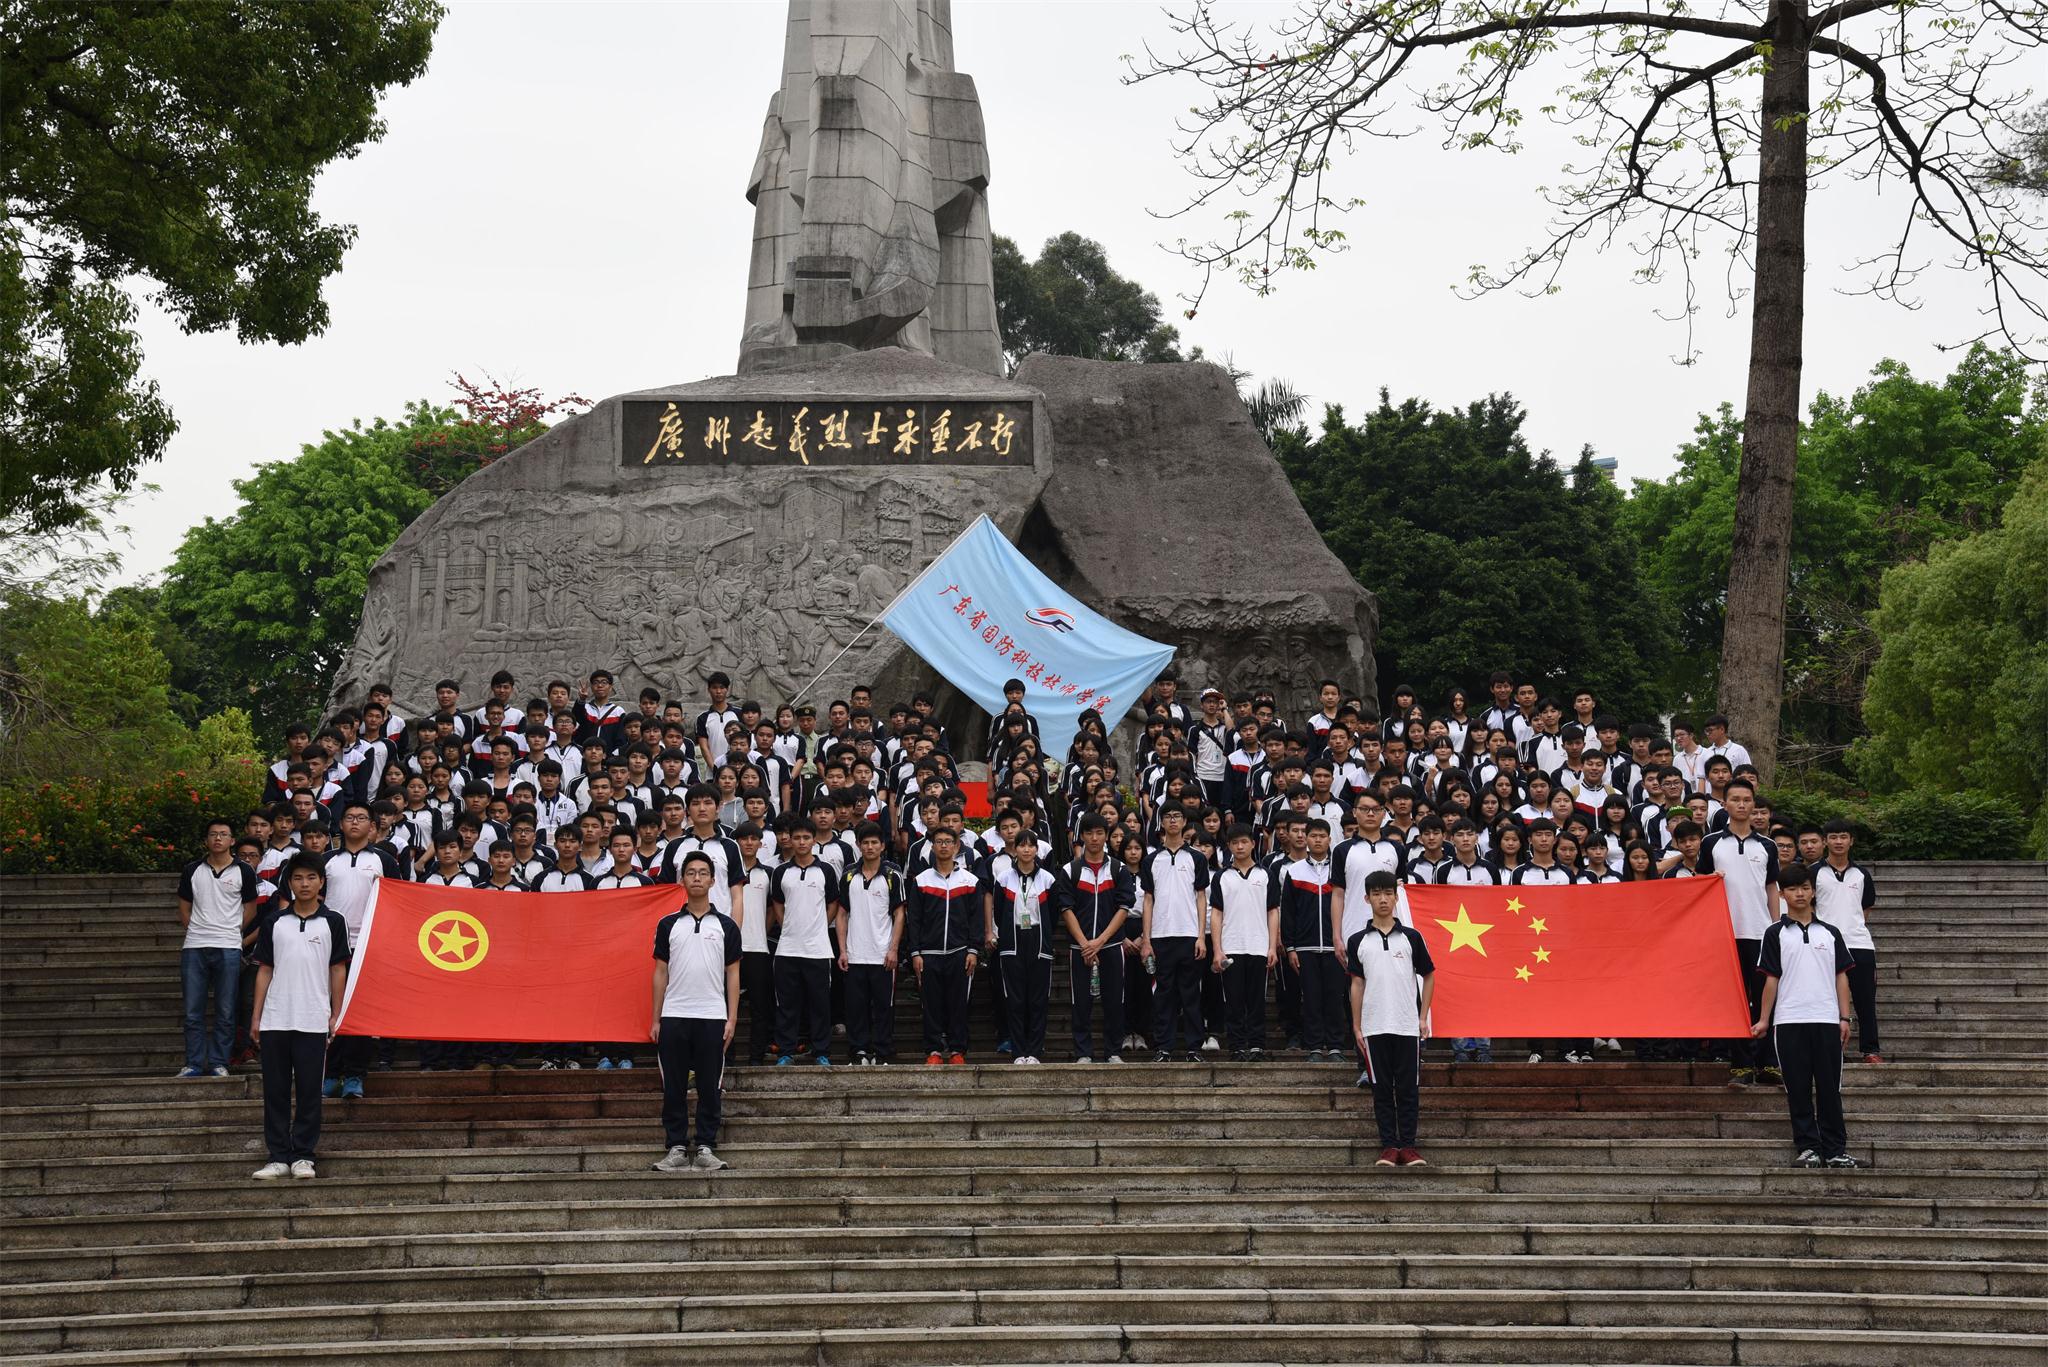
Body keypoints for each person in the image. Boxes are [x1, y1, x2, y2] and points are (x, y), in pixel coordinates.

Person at [248, 853, 350, 1180]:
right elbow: (265, 970)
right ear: (289, 883)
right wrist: (256, 1017)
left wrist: (336, 1013)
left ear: (321, 882)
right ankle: (278, 1156)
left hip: (313, 1018)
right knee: (275, 1091)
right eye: (297, 878)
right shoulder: (274, 922)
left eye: (310, 878)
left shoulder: (333, 921)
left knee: (309, 1091)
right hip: (276, 1018)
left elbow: (338, 969)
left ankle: (303, 1155)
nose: (304, 884)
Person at [1753, 864, 1860, 1168]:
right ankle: (1808, 1148)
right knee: (1798, 1088)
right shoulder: (1774, 934)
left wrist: (1844, 1017)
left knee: (1829, 1088)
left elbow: (1842, 977)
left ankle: (1836, 1149)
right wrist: (1764, 1019)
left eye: (1804, 888)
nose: (1799, 894)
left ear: (1813, 891)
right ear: (1783, 895)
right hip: (1788, 1021)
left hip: (1826, 1020)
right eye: (1792, 889)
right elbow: (1770, 979)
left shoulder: (1830, 932)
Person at [650, 851, 742, 1173]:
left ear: (713, 880)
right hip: (675, 1015)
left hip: (712, 1016)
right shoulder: (668, 924)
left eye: (704, 873)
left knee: (709, 1085)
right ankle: (676, 1147)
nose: (698, 878)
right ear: (683, 879)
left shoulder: (727, 926)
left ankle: (705, 1146)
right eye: (691, 873)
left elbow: (733, 973)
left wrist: (731, 1018)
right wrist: (655, 1018)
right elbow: (660, 972)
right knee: (673, 1085)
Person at [1347, 870, 1436, 1167]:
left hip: (1406, 1024)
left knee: (1408, 1088)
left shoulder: (1411, 936)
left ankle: (1408, 1146)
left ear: (1396, 899)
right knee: (1381, 1088)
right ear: (1367, 898)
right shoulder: (1358, 939)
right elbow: (1356, 984)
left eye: (1388, 894)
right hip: (1373, 1025)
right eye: (1376, 894)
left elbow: (1429, 974)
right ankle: (1388, 1146)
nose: (1383, 899)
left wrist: (1423, 1017)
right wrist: (1357, 1025)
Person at [1698, 778, 1781, 1087]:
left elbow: (1771, 887)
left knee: (1764, 999)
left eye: (1747, 799)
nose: (1742, 804)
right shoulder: (1711, 843)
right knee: (1735, 1000)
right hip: (1726, 932)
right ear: (1726, 804)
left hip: (1761, 932)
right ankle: (1741, 1064)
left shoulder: (1768, 845)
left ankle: (1767, 1062)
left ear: (1754, 804)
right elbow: (1701, 884)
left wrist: (1776, 928)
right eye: (1736, 799)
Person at [177, 818, 260, 1078]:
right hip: (195, 945)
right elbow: (184, 906)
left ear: (232, 841)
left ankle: (218, 1062)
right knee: (193, 1009)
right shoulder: (192, 870)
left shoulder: (244, 871)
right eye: (213, 834)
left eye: (223, 834)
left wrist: (233, 931)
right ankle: (193, 1062)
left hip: (229, 946)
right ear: (206, 840)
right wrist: (197, 928)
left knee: (226, 1009)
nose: (218, 839)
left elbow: (251, 908)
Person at [1138, 803, 1211, 1063]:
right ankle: (1164, 1047)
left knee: (1191, 993)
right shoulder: (1151, 859)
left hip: (1189, 934)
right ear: (1161, 823)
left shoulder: (1196, 858)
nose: (1172, 821)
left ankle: (1194, 1047)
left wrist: (1202, 936)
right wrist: (1146, 940)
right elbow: (1148, 899)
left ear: (1184, 822)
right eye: (1167, 817)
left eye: (1176, 816)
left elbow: (1201, 897)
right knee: (1163, 993)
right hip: (1160, 936)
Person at [769, 816, 842, 1067]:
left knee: (820, 1003)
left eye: (806, 838)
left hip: (818, 949)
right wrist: (787, 924)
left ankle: (821, 1050)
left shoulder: (826, 871)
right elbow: (777, 903)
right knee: (788, 1003)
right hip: (788, 947)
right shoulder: (781, 871)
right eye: (796, 837)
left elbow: (834, 902)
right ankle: (786, 1050)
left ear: (813, 840)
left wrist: (821, 924)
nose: (801, 842)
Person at [1062, 814, 1133, 1064]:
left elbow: (1124, 908)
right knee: (1081, 1002)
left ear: (1106, 836)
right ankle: (1083, 1052)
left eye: (1099, 833)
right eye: (1089, 833)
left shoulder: (1118, 869)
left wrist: (1099, 941)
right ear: (1081, 836)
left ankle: (1113, 1051)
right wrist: (1085, 944)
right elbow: (1066, 908)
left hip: (1111, 945)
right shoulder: (1070, 870)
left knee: (1114, 1000)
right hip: (1079, 948)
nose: (1094, 838)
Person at [908, 826, 981, 1064]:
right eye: (938, 841)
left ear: (956, 846)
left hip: (960, 953)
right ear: (932, 846)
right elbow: (915, 919)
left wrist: (973, 949)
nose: (943, 846)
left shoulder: (970, 881)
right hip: (928, 953)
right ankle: (934, 1050)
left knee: (958, 1003)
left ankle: (958, 1050)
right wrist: (915, 952)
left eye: (948, 841)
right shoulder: (921, 881)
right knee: (931, 1004)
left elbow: (975, 918)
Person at [1209, 823, 1280, 1060]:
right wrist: (1217, 949)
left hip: (1259, 946)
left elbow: (1272, 911)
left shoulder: (1265, 875)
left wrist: (1272, 946)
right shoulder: (1222, 877)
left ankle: (1257, 1044)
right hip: (1231, 947)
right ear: (1228, 846)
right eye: (1234, 843)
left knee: (1256, 999)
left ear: (1252, 843)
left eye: (1244, 842)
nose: (1239, 847)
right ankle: (1237, 1045)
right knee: (1234, 999)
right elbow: (1216, 914)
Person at [1814, 819, 1882, 1064]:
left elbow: (1865, 909)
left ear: (1851, 841)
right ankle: (1834, 1049)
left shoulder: (1861, 874)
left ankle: (1870, 1050)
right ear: (1825, 841)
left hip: (1859, 944)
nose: (1838, 841)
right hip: (1825, 945)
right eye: (1833, 837)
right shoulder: (1814, 873)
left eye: (1843, 837)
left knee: (1865, 999)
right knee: (1828, 999)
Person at [838, 821, 906, 1065]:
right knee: (856, 1007)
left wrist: (894, 949)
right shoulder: (848, 875)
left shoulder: (892, 875)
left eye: (874, 843)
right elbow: (842, 914)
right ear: (858, 845)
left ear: (882, 845)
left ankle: (883, 1050)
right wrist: (843, 950)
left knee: (883, 1006)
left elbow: (899, 913)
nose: (869, 847)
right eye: (865, 842)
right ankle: (859, 1050)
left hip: (882, 954)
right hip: (855, 953)